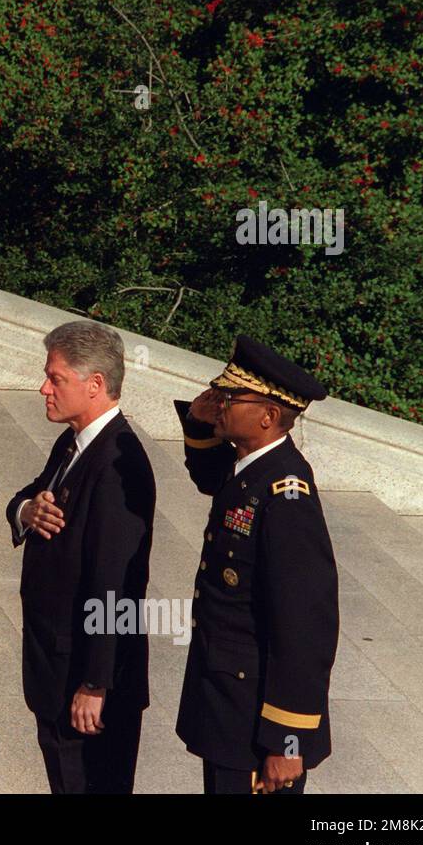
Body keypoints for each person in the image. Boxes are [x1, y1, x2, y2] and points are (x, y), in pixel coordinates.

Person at [174, 334, 339, 794]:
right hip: (228, 710)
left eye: (232, 397)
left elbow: (305, 626)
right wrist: (199, 418)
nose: (220, 402)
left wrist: (288, 741)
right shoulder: (251, 466)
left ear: (268, 416)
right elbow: (211, 478)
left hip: (258, 726)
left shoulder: (286, 494)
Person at [6, 321, 155, 793]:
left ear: (95, 386)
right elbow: (33, 492)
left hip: (86, 685)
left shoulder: (116, 465)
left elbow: (116, 584)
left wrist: (95, 684)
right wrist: (27, 510)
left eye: (56, 379)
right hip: (56, 671)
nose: (44, 388)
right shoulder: (74, 442)